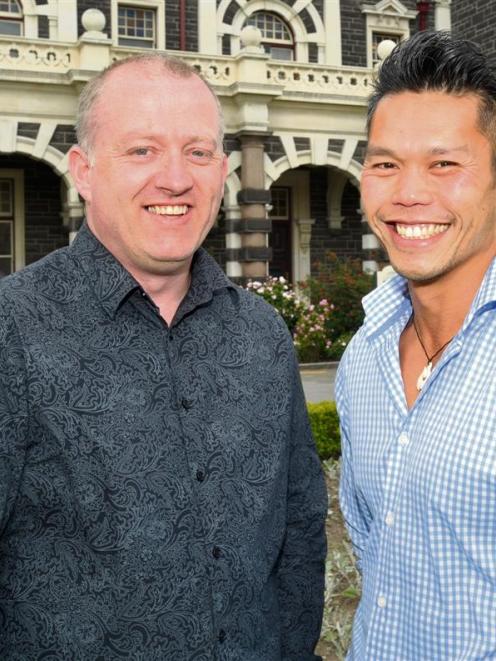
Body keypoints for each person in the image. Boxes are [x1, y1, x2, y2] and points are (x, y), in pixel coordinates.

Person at [0, 53, 327, 660]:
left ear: (223, 171)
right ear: (84, 170)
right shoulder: (12, 329)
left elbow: (301, 532)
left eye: (198, 153)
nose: (175, 179)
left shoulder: (260, 334)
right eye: (142, 150)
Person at [337, 30, 496, 660]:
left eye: (444, 164)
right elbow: (377, 558)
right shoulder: (364, 358)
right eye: (384, 164)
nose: (407, 194)